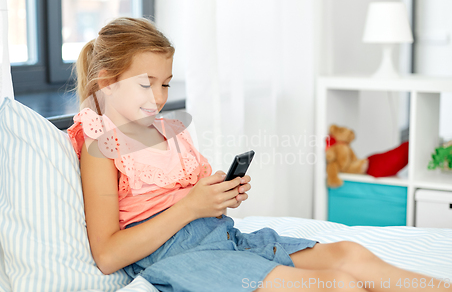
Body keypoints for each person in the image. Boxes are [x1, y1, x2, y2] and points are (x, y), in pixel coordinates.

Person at [67, 17, 450, 292]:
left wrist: (218, 197)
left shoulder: (170, 130)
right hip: (186, 259)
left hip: (226, 240)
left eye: (165, 83)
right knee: (336, 285)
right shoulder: (101, 146)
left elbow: (197, 204)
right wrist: (191, 208)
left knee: (350, 254)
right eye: (145, 84)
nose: (160, 97)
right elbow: (108, 255)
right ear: (108, 83)